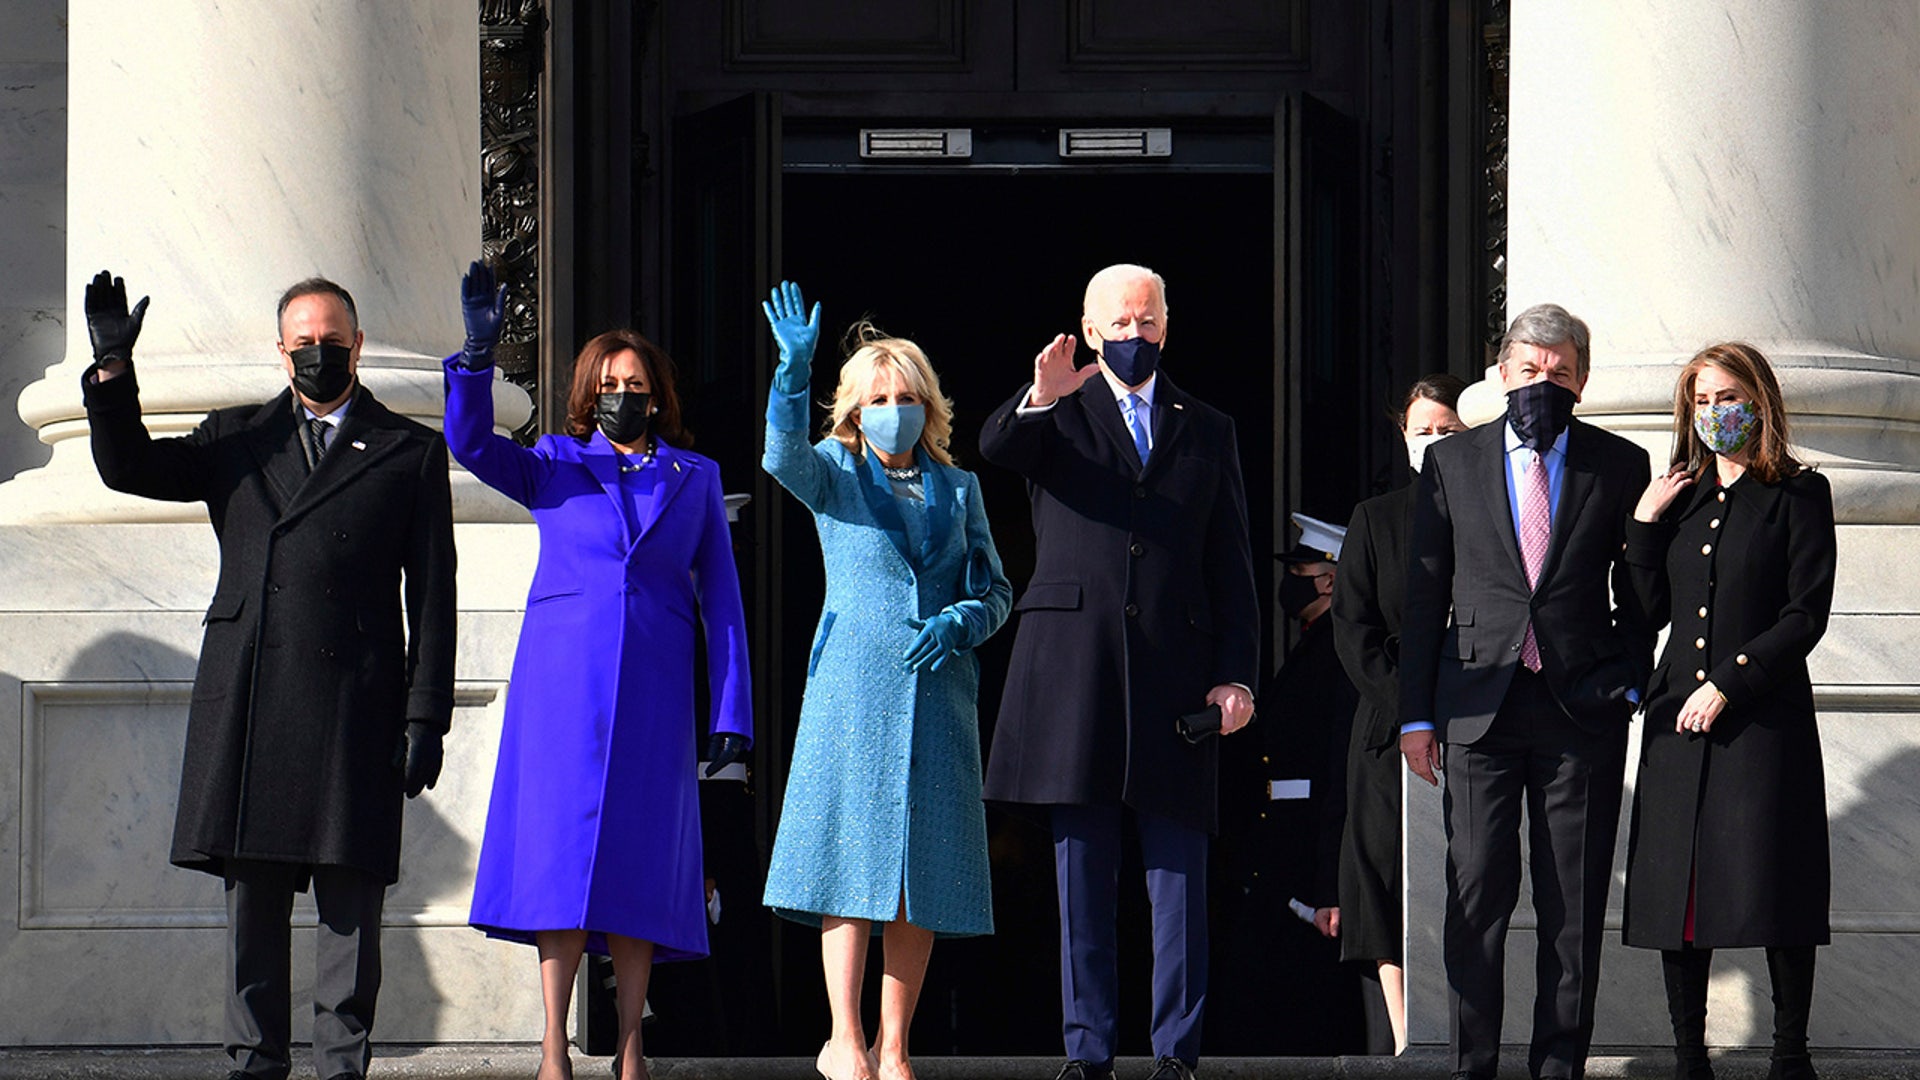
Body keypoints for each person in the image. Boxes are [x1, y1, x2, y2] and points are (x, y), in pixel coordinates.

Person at [79, 270, 456, 1080]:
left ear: (356, 345)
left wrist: (426, 718)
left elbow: (433, 595)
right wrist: (113, 374)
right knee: (253, 910)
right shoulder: (238, 438)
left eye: (332, 341)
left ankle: (340, 1069)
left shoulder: (408, 449)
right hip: (253, 700)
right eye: (303, 343)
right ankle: (254, 1064)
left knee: (349, 910)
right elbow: (131, 469)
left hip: (358, 703)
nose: (318, 354)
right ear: (280, 351)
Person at [443, 264, 752, 1080]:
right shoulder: (552, 463)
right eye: (610, 383)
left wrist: (733, 710)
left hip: (653, 696)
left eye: (637, 383)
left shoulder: (697, 478)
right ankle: (552, 1043)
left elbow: (721, 601)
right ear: (589, 392)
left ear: (658, 394)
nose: (624, 393)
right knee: (560, 861)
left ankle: (630, 1044)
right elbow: (469, 443)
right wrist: (477, 356)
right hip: (560, 692)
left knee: (640, 863)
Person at [979, 264, 1260, 1080]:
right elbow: (1000, 447)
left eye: (1145, 322)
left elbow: (1231, 565)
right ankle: (1088, 1050)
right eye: (1116, 323)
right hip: (1077, 673)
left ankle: (1176, 1052)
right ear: (1088, 326)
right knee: (1081, 876)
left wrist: (1236, 675)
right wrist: (1040, 393)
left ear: (1166, 327)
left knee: (1180, 879)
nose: (1131, 336)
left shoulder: (1206, 427)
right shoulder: (1055, 414)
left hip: (1178, 678)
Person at [758, 282, 1012, 1080]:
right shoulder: (834, 469)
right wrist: (791, 376)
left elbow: (997, 590)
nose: (894, 407)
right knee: (851, 859)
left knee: (921, 869)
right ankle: (846, 1039)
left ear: (928, 405)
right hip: (853, 692)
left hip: (939, 694)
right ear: (855, 409)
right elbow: (779, 456)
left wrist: (962, 622)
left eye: (907, 396)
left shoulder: (959, 487)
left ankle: (897, 1045)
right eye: (879, 396)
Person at [1399, 303, 1654, 1080]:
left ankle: (1557, 1070)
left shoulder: (1620, 464)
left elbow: (1639, 594)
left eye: (1561, 373)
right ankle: (1472, 1066)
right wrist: (1415, 715)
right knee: (1476, 897)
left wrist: (1630, 683)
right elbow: (1423, 597)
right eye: (1530, 371)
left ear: (1582, 379)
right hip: (1477, 710)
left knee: (1571, 911)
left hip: (1581, 714)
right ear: (1501, 373)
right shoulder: (1453, 462)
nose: (1544, 384)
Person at [1620, 342, 1836, 1080]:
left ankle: (1789, 1054)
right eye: (1701, 402)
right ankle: (1689, 1058)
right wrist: (1644, 528)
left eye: (1727, 397)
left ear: (1760, 400)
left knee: (1776, 878)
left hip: (1761, 716)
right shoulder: (1681, 500)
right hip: (1676, 713)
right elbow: (1645, 612)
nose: (1715, 413)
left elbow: (1806, 614)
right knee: (1676, 883)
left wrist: (1730, 684)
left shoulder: (1800, 494)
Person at [1329, 373, 1469, 1054]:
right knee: (1383, 875)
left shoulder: (1494, 514)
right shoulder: (1376, 519)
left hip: (1478, 721)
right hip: (1391, 733)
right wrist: (1411, 708)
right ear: (1404, 438)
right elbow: (1351, 628)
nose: (1436, 442)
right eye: (1424, 432)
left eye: (1449, 430)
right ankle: (1406, 1037)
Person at [1212, 513, 1361, 1054]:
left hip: (1308, 845)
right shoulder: (1311, 644)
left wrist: (1327, 878)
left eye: (1300, 568)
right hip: (1280, 841)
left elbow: (1338, 766)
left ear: (1328, 579)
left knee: (1308, 995)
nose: (1291, 580)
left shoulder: (1340, 649)